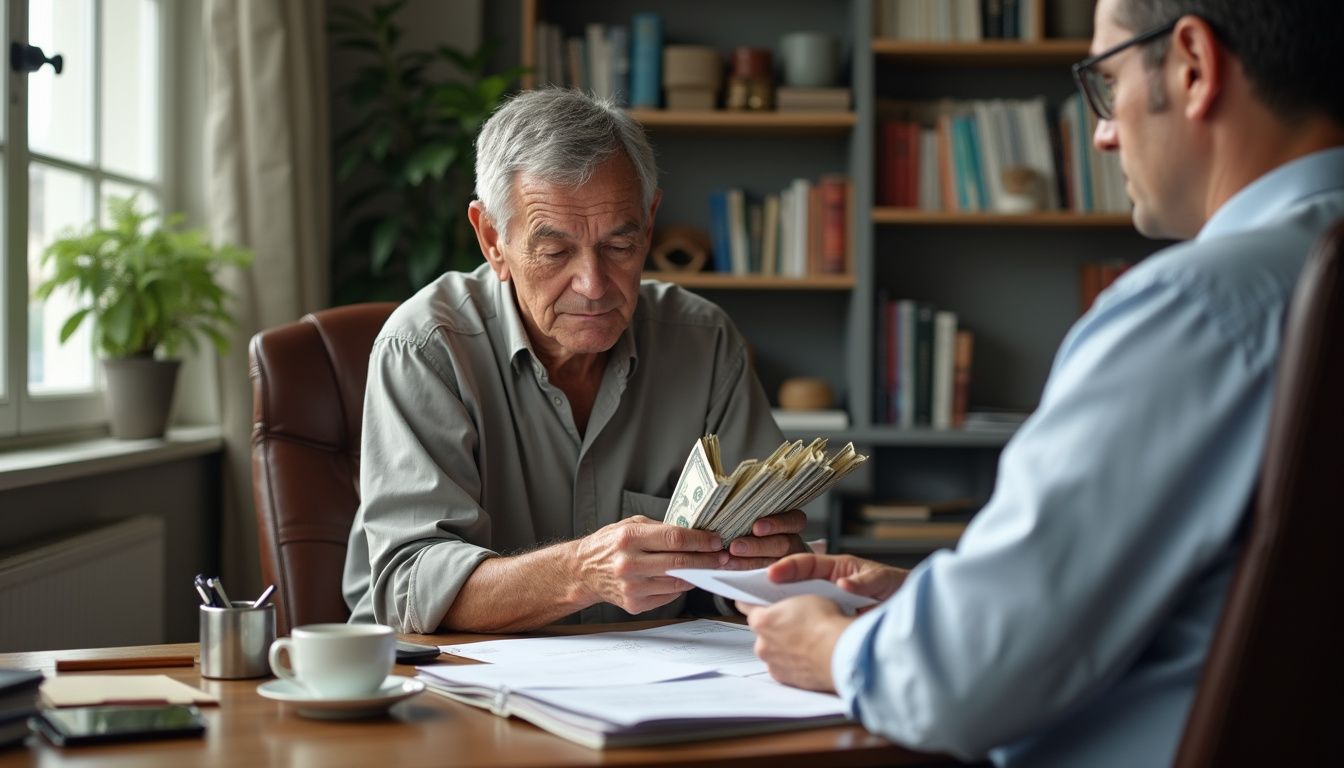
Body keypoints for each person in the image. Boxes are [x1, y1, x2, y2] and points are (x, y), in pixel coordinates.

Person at [738, 1, 1344, 765]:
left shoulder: (1197, 308)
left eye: (1107, 81)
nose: (1102, 132)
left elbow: (960, 680)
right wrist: (934, 601)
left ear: (1192, 64)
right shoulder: (1300, 277)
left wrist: (832, 647)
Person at [342, 88, 806, 633]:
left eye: (619, 246)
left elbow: (757, 574)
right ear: (492, 238)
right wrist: (584, 573)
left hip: (659, 684)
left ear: (649, 223)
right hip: (457, 685)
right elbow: (407, 587)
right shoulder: (426, 348)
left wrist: (765, 564)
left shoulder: (703, 343)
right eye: (556, 251)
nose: (592, 286)